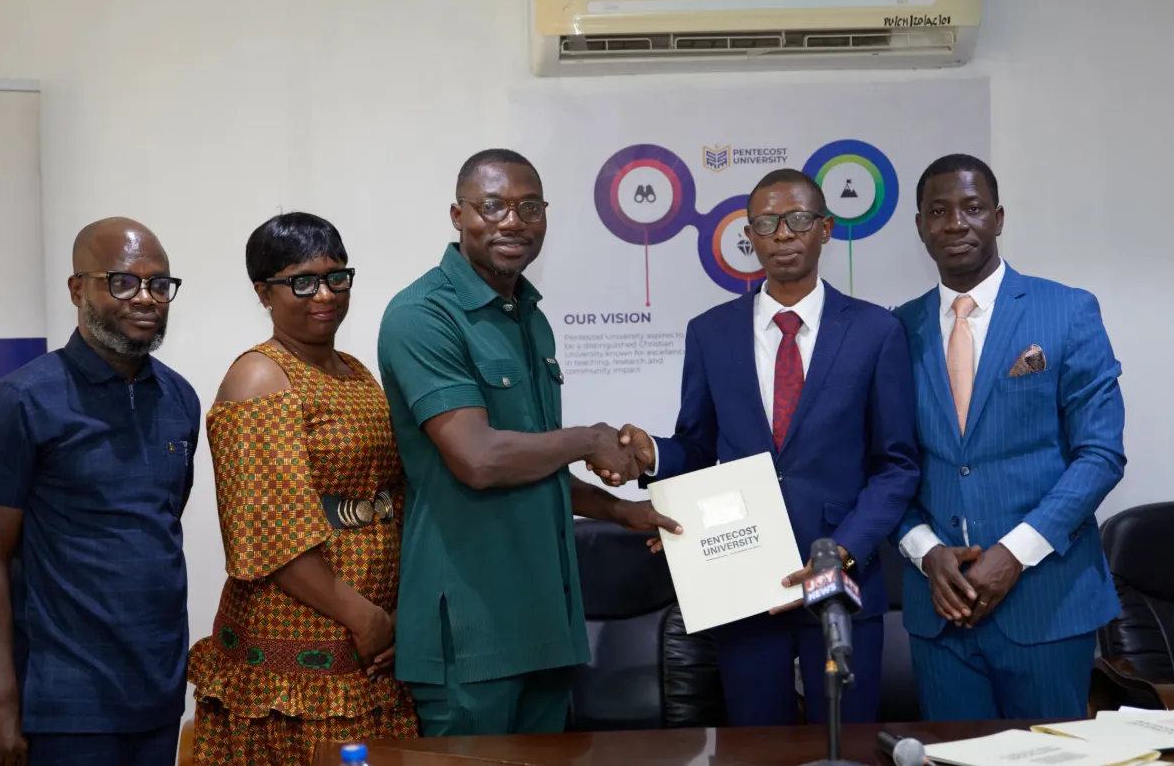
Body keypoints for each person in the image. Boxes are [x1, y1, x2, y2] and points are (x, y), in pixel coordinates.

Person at [591, 168, 920, 726]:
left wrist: (841, 552)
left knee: (848, 742)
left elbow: (897, 466)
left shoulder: (874, 330)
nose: (783, 233)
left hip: (839, 576)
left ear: (825, 229)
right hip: (743, 584)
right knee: (754, 746)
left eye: (798, 220)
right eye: (766, 223)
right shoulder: (711, 332)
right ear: (750, 236)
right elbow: (698, 447)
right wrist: (655, 456)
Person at [375, 148, 681, 737]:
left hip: (546, 621)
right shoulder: (423, 316)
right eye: (492, 206)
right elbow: (479, 459)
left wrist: (621, 511)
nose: (513, 221)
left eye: (530, 207)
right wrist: (589, 439)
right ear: (458, 215)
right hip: (473, 629)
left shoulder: (529, 317)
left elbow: (532, 463)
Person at [893, 154, 1125, 720]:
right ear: (920, 227)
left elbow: (1100, 454)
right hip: (940, 608)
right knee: (953, 757)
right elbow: (885, 466)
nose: (956, 223)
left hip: (1047, 603)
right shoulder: (896, 330)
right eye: (938, 211)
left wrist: (1014, 554)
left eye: (972, 208)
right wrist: (926, 553)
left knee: (1053, 757)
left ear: (998, 218)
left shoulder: (1067, 311)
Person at [0, 218, 199, 766]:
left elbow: (160, 527)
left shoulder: (179, 398)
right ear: (78, 289)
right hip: (64, 702)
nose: (145, 298)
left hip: (159, 692)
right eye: (123, 281)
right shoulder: (18, 402)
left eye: (159, 284)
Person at [187, 212, 418, 763]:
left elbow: (396, 493)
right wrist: (365, 618)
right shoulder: (259, 377)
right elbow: (269, 535)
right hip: (300, 645)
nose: (326, 295)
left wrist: (395, 617)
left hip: (373, 635)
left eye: (337, 277)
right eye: (303, 281)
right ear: (263, 292)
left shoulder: (356, 371)